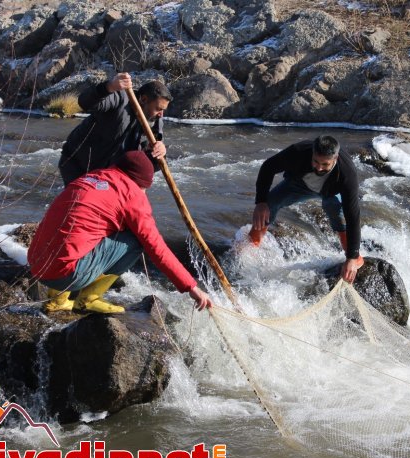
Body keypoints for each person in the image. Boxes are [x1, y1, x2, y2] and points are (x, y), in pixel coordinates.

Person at [28, 150, 212, 314]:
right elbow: (157, 248)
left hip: (36, 265)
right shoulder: (132, 195)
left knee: (83, 232)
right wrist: (191, 287)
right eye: (144, 189)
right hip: (64, 277)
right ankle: (87, 300)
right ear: (141, 183)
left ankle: (56, 299)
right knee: (136, 240)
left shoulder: (91, 177)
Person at [249, 135, 364, 283]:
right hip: (300, 184)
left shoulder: (347, 173)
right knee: (270, 203)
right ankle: (252, 245)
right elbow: (268, 167)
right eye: (316, 161)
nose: (319, 167)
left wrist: (352, 258)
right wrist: (261, 202)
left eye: (325, 164)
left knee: (334, 208)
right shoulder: (299, 151)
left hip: (331, 190)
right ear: (312, 153)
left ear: (334, 160)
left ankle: (354, 256)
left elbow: (353, 216)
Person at [58, 72, 169, 186]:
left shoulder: (155, 120)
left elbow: (146, 165)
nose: (161, 114)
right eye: (158, 108)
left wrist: (160, 152)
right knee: (79, 200)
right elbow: (85, 102)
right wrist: (109, 87)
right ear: (144, 99)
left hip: (108, 173)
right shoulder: (119, 98)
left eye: (163, 110)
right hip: (77, 164)